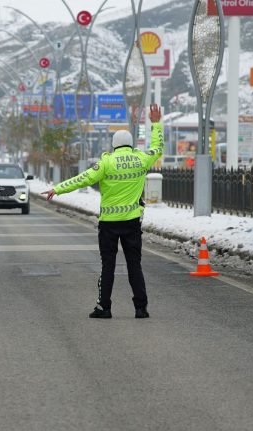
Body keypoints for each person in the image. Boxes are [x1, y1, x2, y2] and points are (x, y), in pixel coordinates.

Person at [42, 104, 164, 319]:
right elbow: (157, 147)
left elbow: (82, 179)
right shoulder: (141, 160)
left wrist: (57, 189)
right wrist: (156, 124)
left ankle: (104, 307)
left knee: (108, 265)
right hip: (132, 222)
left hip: (109, 224)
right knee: (134, 265)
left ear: (114, 145)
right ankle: (141, 308)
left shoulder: (106, 162)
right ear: (130, 144)